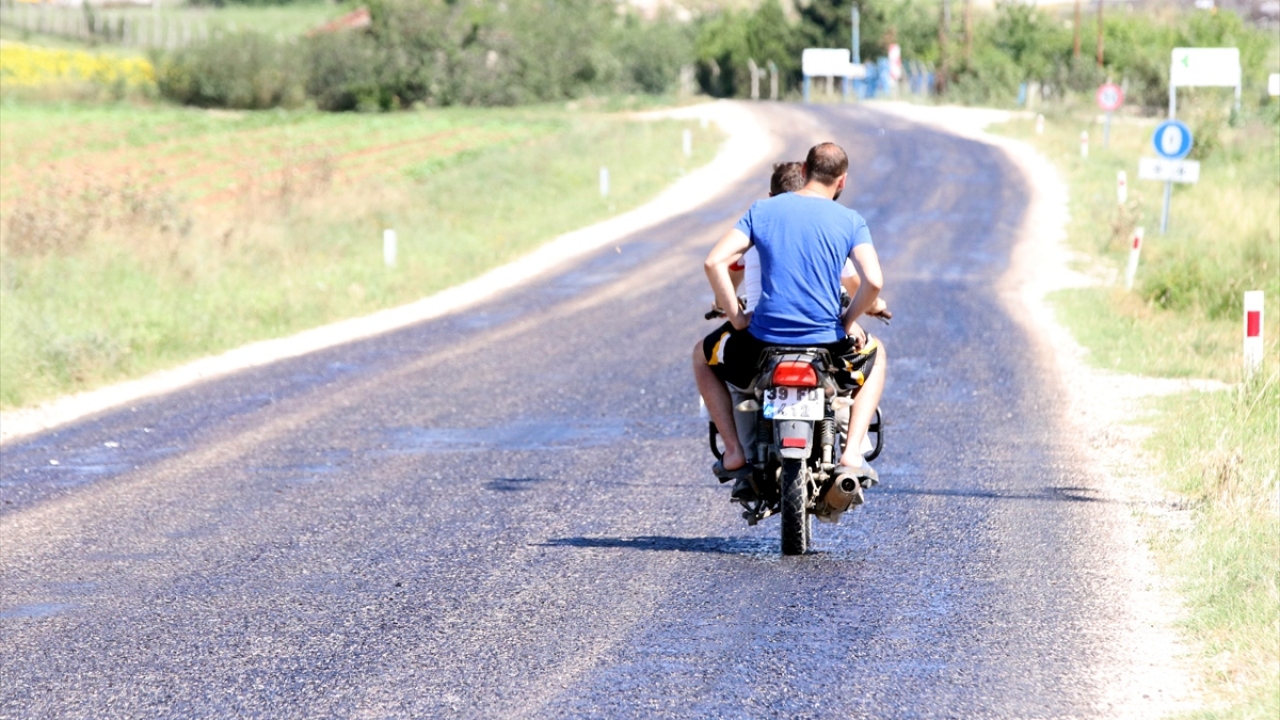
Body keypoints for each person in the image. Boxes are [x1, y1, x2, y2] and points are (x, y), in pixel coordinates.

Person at [693, 142, 887, 501]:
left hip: (762, 343)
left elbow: (714, 262)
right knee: (879, 358)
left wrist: (737, 318)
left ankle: (734, 452)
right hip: (826, 345)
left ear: (806, 169)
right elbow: (873, 282)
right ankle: (851, 452)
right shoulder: (850, 220)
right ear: (841, 180)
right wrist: (847, 321)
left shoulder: (763, 211)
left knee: (701, 356)